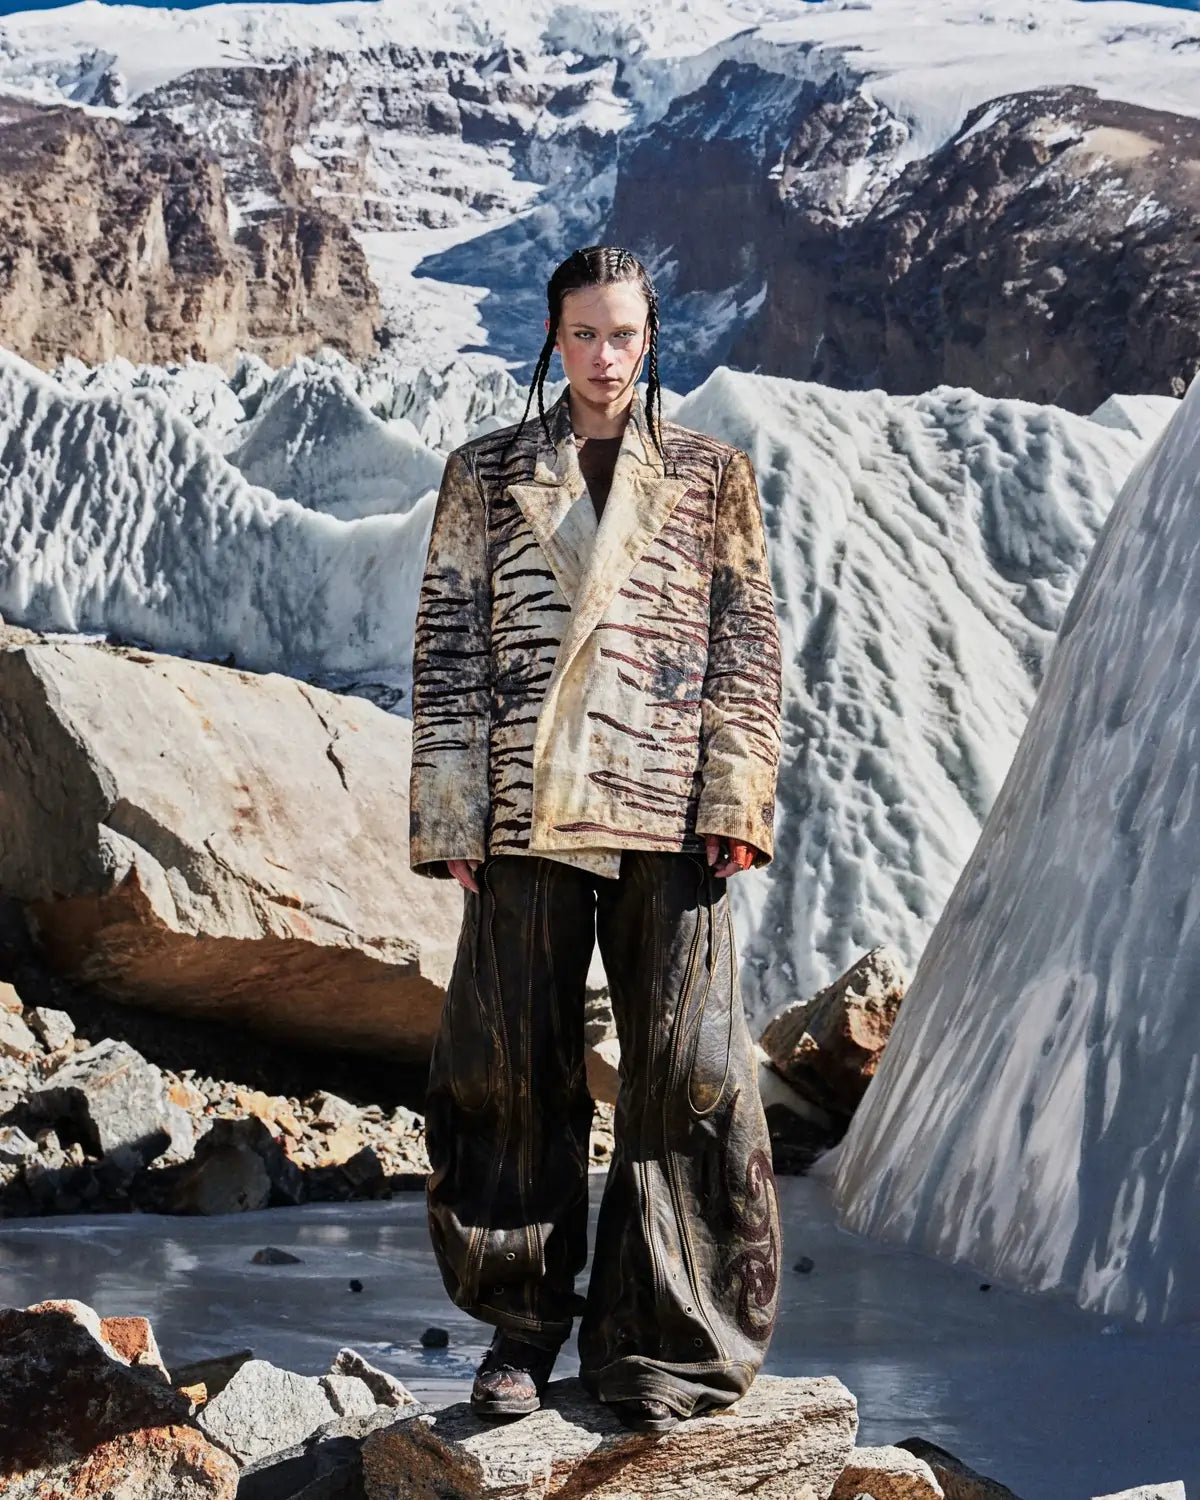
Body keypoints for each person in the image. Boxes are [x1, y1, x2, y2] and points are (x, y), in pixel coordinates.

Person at [408, 244, 783, 1433]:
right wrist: (453, 810)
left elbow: (746, 641)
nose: (605, 357)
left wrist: (736, 798)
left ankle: (664, 1341)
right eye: (584, 334)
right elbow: (450, 645)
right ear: (552, 339)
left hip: (668, 810)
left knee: (687, 1074)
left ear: (650, 340)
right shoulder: (485, 474)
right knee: (513, 1067)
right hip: (525, 811)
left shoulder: (713, 475)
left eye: (624, 335)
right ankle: (522, 1328)